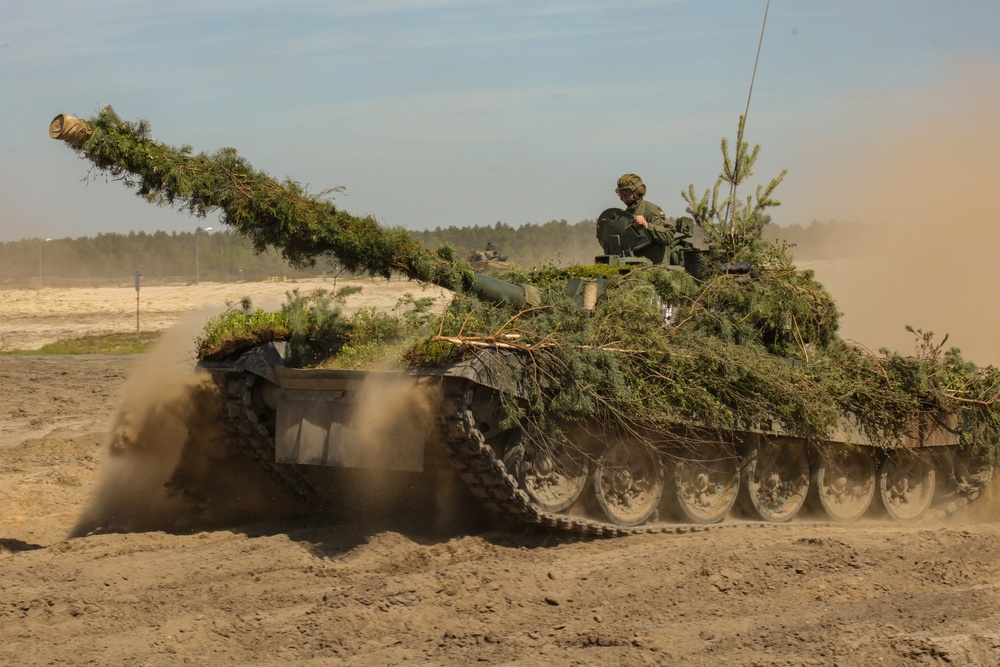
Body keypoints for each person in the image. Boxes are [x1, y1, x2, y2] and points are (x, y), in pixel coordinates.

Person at [613, 173, 674, 264]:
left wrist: (647, 225)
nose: (623, 196)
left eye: (626, 192)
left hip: (654, 268)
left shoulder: (651, 210)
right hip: (633, 266)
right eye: (620, 192)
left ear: (637, 192)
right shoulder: (625, 215)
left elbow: (668, 237)